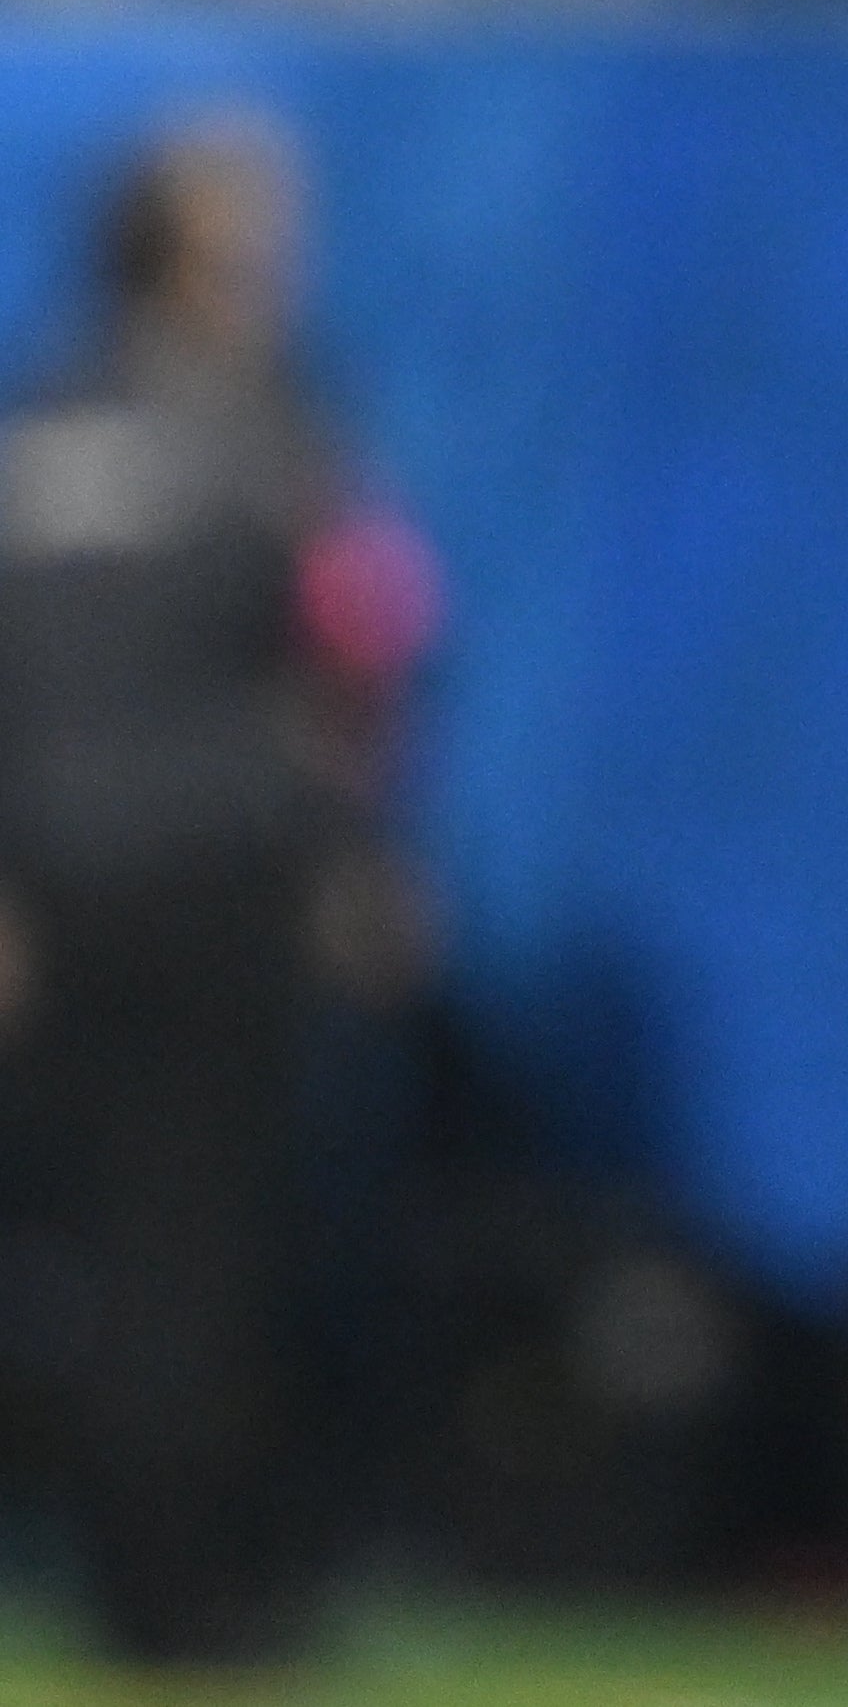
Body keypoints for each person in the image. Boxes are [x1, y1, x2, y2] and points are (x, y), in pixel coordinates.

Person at [0, 122, 434, 1662]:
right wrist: (362, 858)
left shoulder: (41, 427)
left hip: (63, 883)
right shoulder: (272, 435)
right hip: (214, 874)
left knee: (102, 1245)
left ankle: (129, 1580)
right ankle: (202, 1598)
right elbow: (366, 650)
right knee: (206, 1244)